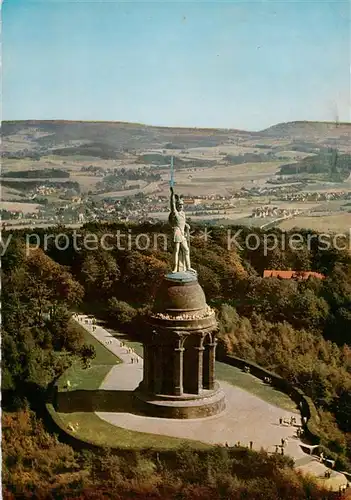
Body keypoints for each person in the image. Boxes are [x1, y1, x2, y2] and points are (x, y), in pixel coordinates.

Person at [169, 186, 196, 273]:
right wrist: (172, 194)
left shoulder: (183, 214)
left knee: (186, 250)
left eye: (182, 205)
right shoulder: (175, 213)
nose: (181, 206)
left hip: (183, 233)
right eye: (179, 205)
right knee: (176, 250)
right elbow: (172, 204)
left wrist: (186, 225)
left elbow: (182, 222)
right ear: (176, 205)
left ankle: (188, 267)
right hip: (177, 233)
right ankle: (175, 268)